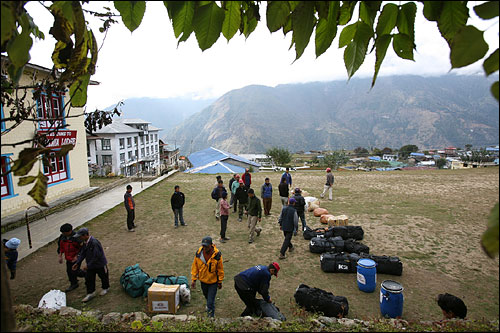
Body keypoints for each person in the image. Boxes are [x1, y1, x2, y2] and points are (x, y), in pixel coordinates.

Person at [72, 228, 110, 302]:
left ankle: (106, 288)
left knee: (103, 276)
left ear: (86, 235)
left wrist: (88, 265)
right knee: (89, 278)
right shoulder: (85, 243)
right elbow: (83, 253)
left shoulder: (94, 243)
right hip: (91, 265)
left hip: (99, 264)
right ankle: (91, 292)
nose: (79, 238)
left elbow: (97, 256)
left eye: (80, 236)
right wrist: (77, 263)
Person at [191, 236, 224, 318]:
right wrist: (194, 279)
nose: (205, 248)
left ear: (211, 245)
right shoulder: (199, 253)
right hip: (203, 281)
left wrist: (219, 282)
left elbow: (220, 269)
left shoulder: (217, 255)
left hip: (213, 282)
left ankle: (210, 318)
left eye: (206, 246)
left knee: (210, 302)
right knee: (207, 296)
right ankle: (210, 304)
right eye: (203, 246)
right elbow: (195, 266)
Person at [57, 223, 83, 292]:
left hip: (76, 257)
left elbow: (82, 248)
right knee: (69, 271)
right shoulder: (62, 237)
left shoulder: (77, 237)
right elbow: (60, 246)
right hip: (68, 257)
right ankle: (74, 283)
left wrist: (77, 256)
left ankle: (86, 274)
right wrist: (60, 255)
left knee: (75, 271)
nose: (64, 234)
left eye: (65, 233)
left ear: (70, 231)